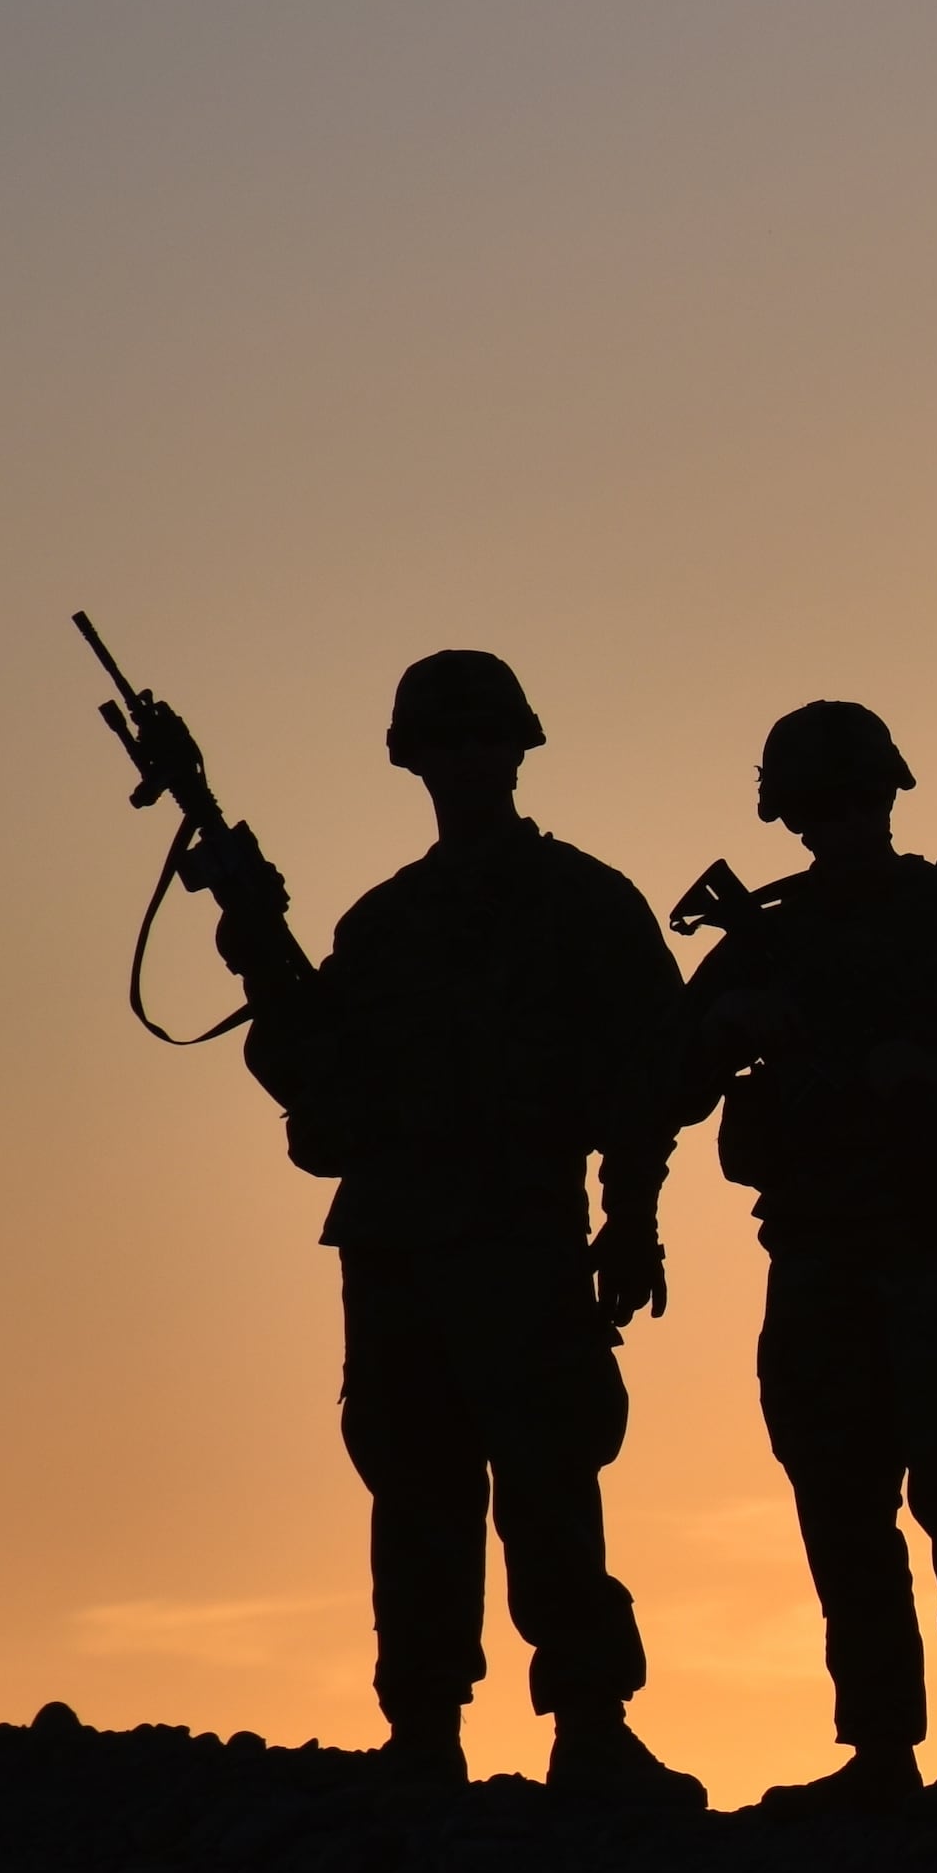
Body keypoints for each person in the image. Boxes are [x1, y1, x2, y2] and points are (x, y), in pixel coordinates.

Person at [234, 649, 702, 1807]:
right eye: (444, 742)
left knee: (549, 1478)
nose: (462, 763)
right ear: (412, 757)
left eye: (479, 738)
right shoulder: (383, 924)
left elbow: (653, 1078)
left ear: (515, 749)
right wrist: (257, 941)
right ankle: (426, 1732)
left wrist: (628, 1218)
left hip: (520, 1230)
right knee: (415, 1486)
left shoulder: (582, 903)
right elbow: (314, 1093)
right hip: (398, 1246)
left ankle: (589, 1725)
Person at [678, 702, 937, 1817]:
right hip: (816, 1256)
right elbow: (665, 1078)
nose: (838, 824)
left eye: (851, 800)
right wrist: (729, 1030)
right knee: (842, 1512)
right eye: (821, 806)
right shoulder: (767, 940)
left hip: (934, 1249)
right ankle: (879, 1751)